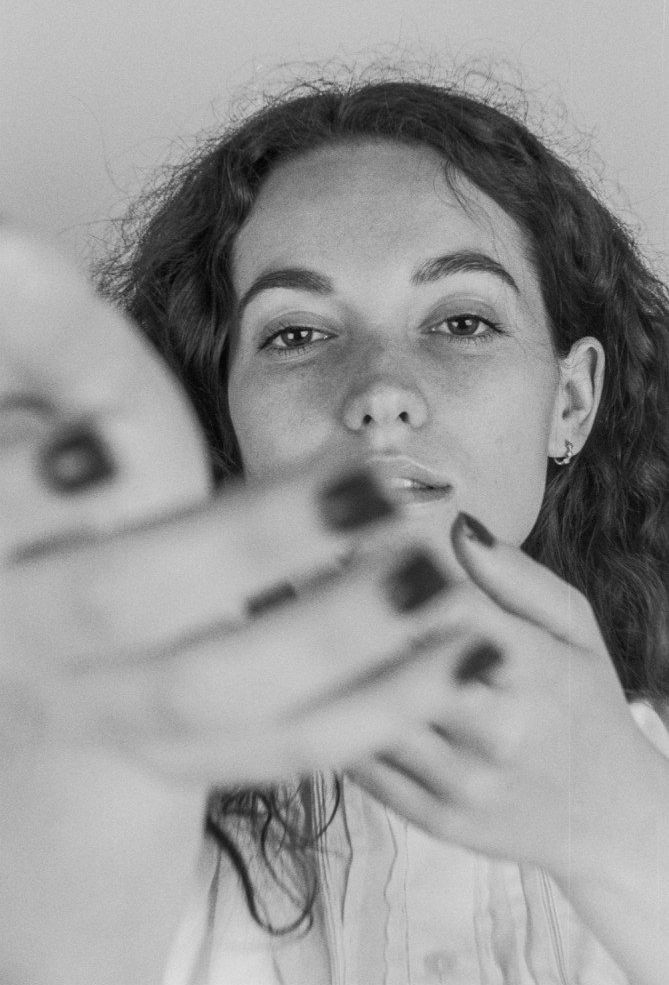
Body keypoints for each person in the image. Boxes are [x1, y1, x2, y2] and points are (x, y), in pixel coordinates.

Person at [3, 72, 669, 984]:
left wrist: (625, 826)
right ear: (223, 420)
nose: (381, 391)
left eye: (462, 321)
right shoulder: (101, 799)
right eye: (297, 335)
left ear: (572, 401)